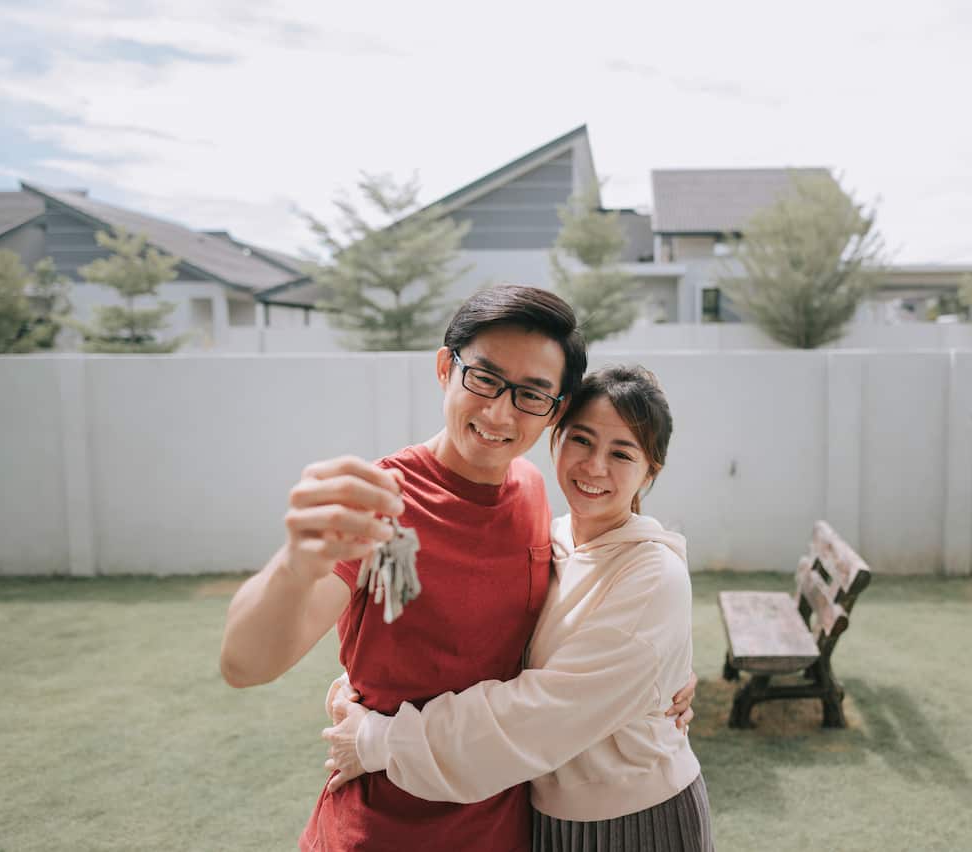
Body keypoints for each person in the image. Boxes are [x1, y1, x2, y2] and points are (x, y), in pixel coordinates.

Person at [219, 286, 691, 852]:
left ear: (554, 410)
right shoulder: (382, 501)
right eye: (484, 379)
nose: (499, 413)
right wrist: (294, 565)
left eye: (530, 394)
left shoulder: (532, 493)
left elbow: (560, 628)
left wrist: (661, 679)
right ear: (446, 368)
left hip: (506, 829)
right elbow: (245, 665)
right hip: (382, 830)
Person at [321, 365, 715, 852]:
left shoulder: (654, 576)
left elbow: (543, 713)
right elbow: (477, 634)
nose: (595, 466)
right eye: (582, 440)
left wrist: (379, 740)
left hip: (636, 819)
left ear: (650, 471)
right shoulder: (550, 539)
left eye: (621, 453)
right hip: (544, 818)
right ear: (556, 439)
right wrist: (366, 687)